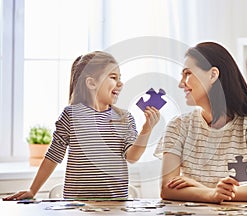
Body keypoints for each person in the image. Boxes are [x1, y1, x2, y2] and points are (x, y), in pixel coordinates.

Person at [4, 51, 160, 200]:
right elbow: (52, 156)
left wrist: (147, 129)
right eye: (113, 77)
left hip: (115, 204)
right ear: (91, 83)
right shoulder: (71, 115)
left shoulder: (124, 118)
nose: (120, 83)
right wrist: (33, 190)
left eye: (120, 77)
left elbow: (132, 157)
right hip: (76, 204)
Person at [154, 42, 247, 203]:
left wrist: (210, 191)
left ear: (213, 75)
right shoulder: (178, 126)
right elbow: (167, 189)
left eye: (187, 74)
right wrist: (212, 195)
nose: (181, 83)